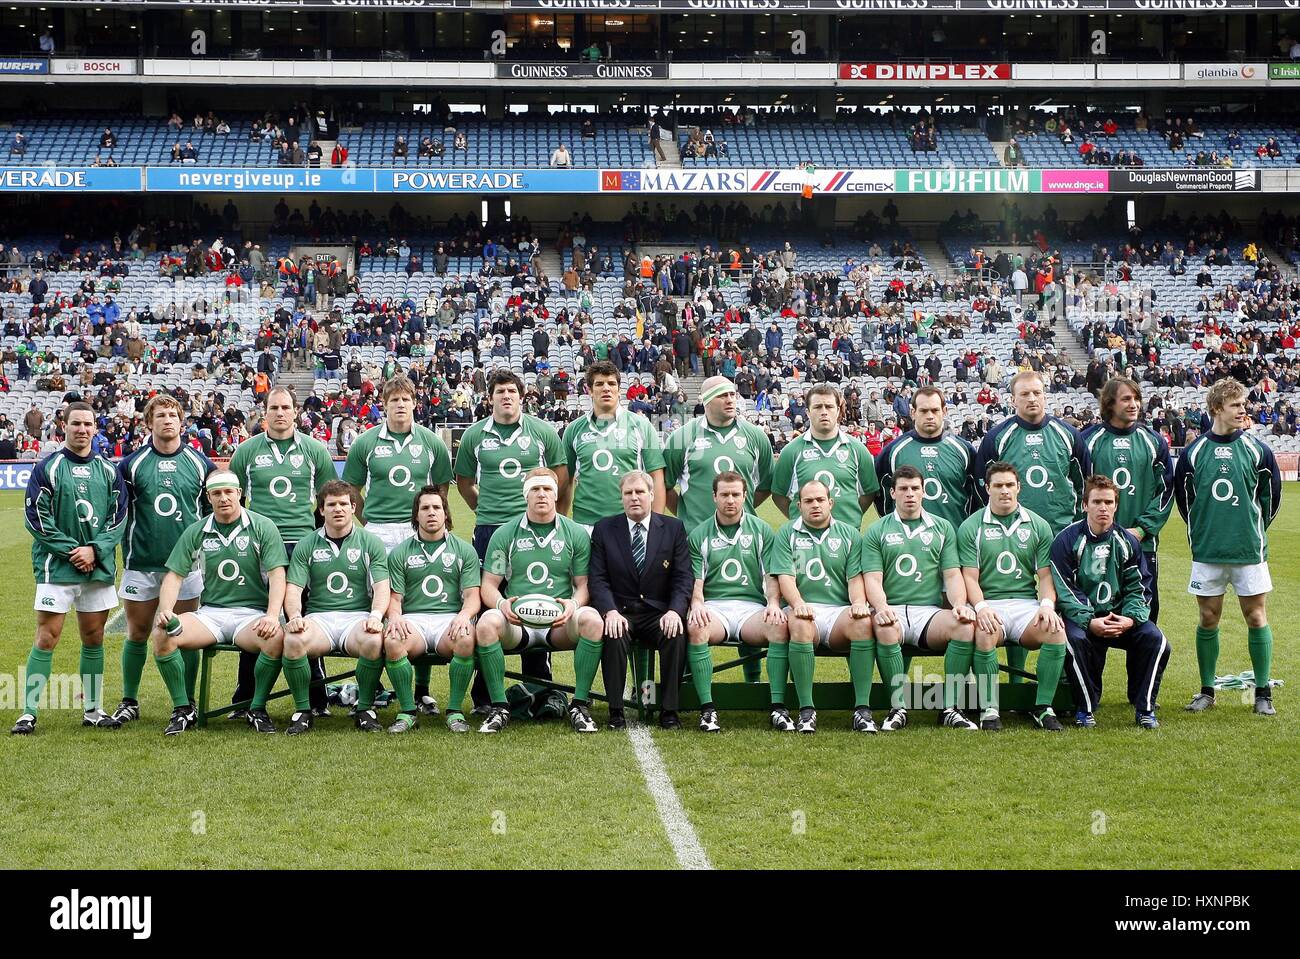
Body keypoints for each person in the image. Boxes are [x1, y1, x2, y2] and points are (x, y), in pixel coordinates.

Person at [454, 369, 567, 710]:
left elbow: (559, 476)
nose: (506, 396)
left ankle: (542, 689)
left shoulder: (542, 431)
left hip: (532, 531)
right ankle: (486, 695)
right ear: (490, 398)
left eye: (512, 391)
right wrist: (486, 511)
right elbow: (463, 482)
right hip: (491, 532)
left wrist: (548, 516)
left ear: (522, 396)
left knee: (536, 597)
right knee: (492, 605)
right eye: (500, 391)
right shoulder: (474, 435)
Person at [12, 402, 127, 734]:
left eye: (88, 424)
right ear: (64, 426)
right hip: (57, 568)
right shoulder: (48, 468)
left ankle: (93, 709)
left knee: (93, 638)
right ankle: (28, 712)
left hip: (98, 567)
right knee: (47, 637)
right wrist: (73, 551)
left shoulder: (109, 470)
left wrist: (95, 549)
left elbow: (117, 519)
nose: (82, 429)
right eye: (76, 423)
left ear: (95, 428)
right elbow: (37, 520)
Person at [149, 471, 288, 735]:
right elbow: (174, 576)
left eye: (228, 492)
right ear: (209, 497)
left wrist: (272, 615)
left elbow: (277, 575)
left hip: (250, 616)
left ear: (239, 493)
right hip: (210, 615)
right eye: (216, 493)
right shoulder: (197, 531)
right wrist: (166, 610)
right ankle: (183, 708)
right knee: (162, 633)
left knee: (276, 638)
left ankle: (256, 708)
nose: (223, 498)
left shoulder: (262, 526)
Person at [974, 370, 1089, 687]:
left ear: (1045, 394)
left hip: (1062, 536)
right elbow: (980, 485)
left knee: (1063, 606)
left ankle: (1067, 677)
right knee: (1016, 598)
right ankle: (1013, 684)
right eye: (1024, 394)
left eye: (1037, 392)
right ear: (1012, 399)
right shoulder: (998, 437)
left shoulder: (1069, 435)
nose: (1032, 398)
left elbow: (1083, 485)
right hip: (1013, 535)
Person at [227, 386, 335, 719]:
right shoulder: (245, 452)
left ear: (296, 411)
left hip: (302, 546)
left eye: (285, 407)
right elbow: (233, 502)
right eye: (273, 407)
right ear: (264, 412)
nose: (279, 413)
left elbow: (328, 501)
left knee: (304, 620)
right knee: (256, 620)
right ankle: (244, 700)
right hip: (259, 547)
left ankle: (318, 700)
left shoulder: (315, 450)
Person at [1175, 377, 1282, 716]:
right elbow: (1185, 502)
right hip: (1208, 551)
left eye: (1243, 404)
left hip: (1248, 550)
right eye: (1236, 405)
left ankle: (1262, 692)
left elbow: (1271, 498)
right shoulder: (1193, 453)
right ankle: (1208, 690)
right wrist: (1206, 532)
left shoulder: (1257, 450)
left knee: (1256, 616)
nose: (1243, 410)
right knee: (1208, 618)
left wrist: (1251, 530)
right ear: (1217, 408)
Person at [110, 395, 216, 725]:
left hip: (187, 567)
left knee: (184, 634)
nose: (167, 420)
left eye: (173, 414)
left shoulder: (201, 464)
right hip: (142, 562)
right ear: (148, 422)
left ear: (181, 421)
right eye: (160, 415)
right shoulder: (130, 465)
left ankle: (186, 703)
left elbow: (212, 514)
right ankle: (129, 700)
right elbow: (118, 513)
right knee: (137, 632)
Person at [476, 469, 605, 734]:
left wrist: (573, 605)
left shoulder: (575, 533)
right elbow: (489, 584)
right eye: (535, 489)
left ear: (556, 495)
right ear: (526, 495)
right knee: (487, 623)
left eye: (547, 489)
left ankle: (579, 705)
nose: (542, 495)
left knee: (592, 619)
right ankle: (499, 707)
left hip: (559, 623)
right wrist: (502, 605)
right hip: (518, 623)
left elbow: (583, 585)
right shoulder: (505, 534)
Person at [663, 375, 773, 683]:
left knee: (749, 601)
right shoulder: (683, 437)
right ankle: (687, 682)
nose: (730, 399)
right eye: (723, 395)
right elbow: (667, 485)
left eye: (733, 393)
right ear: (707, 401)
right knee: (691, 609)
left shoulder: (755, 436)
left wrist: (741, 509)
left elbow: (764, 485)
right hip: (692, 540)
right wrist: (687, 517)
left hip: (743, 538)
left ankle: (753, 681)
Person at [862, 466, 979, 733]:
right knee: (884, 626)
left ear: (924, 492)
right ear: (892, 493)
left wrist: (959, 604)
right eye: (903, 489)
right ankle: (898, 707)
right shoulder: (877, 530)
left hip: (927, 611)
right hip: (891, 607)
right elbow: (872, 579)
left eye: (915, 488)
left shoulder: (942, 528)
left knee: (963, 626)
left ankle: (950, 708)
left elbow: (952, 575)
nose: (910, 494)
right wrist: (880, 608)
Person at [1052, 475, 1170, 730]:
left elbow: (1139, 587)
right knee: (1072, 641)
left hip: (1119, 618)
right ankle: (1085, 708)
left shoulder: (1127, 542)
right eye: (1096, 502)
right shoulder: (1067, 540)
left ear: (1116, 505)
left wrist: (1130, 618)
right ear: (1085, 505)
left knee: (1156, 640)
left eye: (1108, 502)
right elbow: (1065, 589)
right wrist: (1089, 620)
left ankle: (1145, 708)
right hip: (1084, 620)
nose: (1102, 507)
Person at [959, 461, 1069, 732]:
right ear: (987, 489)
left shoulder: (1038, 525)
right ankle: (990, 708)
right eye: (998, 485)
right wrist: (981, 607)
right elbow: (969, 578)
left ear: (1019, 487)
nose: (1004, 491)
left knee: (1055, 630)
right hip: (990, 604)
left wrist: (1046, 605)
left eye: (1009, 485)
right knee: (984, 632)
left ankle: (1043, 706)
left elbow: (1045, 576)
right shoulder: (971, 526)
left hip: (1025, 604)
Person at [282, 481, 391, 735]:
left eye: (344, 504)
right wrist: (295, 615)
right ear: (321, 510)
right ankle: (303, 711)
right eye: (331, 504)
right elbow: (293, 589)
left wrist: (376, 616)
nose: (338, 509)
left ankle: (365, 709)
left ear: (354, 507)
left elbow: (382, 587)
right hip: (320, 618)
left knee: (374, 640)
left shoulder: (370, 542)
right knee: (294, 639)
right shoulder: (307, 544)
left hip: (357, 617)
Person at [588, 471, 693, 730]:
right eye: (628, 493)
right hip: (621, 610)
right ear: (621, 497)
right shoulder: (604, 529)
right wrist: (610, 612)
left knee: (676, 634)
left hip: (658, 611)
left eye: (640, 492)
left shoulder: (673, 528)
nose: (634, 498)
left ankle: (669, 710)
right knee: (613, 633)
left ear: (652, 495)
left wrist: (675, 612)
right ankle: (616, 712)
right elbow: (598, 579)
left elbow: (683, 577)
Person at [767, 480, 872, 734]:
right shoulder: (786, 533)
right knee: (800, 624)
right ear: (799, 505)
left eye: (820, 500)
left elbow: (855, 578)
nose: (815, 505)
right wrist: (798, 604)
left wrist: (858, 602)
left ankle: (862, 710)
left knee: (863, 623)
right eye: (808, 501)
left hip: (837, 612)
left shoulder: (849, 535)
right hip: (804, 608)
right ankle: (806, 710)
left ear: (830, 503)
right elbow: (785, 578)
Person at [685, 471, 788, 732]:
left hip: (751, 608)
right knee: (697, 628)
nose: (730, 500)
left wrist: (773, 604)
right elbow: (696, 582)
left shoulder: (762, 530)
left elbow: (771, 575)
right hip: (714, 608)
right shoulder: (699, 535)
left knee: (778, 626)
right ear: (714, 497)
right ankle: (707, 710)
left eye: (735, 495)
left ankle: (777, 707)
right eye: (724, 495)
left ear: (745, 496)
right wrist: (697, 604)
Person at [382, 487, 482, 734]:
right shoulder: (400, 552)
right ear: (416, 515)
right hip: (413, 619)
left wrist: (463, 616)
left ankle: (455, 711)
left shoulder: (464, 550)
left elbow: (472, 597)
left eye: (437, 507)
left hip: (448, 619)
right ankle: (407, 712)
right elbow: (395, 598)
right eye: (424, 508)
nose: (431, 513)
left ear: (445, 513)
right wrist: (395, 617)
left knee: (466, 637)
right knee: (393, 640)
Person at [1081, 377, 1173, 623]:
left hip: (1140, 544)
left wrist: (1142, 529)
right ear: (1110, 404)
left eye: (1136, 398)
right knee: (1092, 618)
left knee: (1143, 619)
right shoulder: (1088, 441)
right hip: (1095, 545)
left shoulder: (1153, 441)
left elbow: (1165, 492)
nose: (1134, 404)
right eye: (1126, 399)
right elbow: (1078, 490)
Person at [342, 374, 452, 553]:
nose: (400, 404)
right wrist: (368, 522)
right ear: (384, 404)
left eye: (405, 399)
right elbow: (351, 489)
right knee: (379, 582)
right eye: (394, 399)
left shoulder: (432, 441)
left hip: (418, 527)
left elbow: (442, 490)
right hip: (378, 529)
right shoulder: (364, 442)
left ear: (414, 403)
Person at [559, 360, 665, 531]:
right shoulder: (573, 430)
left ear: (619, 389)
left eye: (611, 383)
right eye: (599, 384)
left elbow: (657, 477)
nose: (606, 388)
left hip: (630, 522)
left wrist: (657, 527)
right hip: (585, 524)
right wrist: (561, 525)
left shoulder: (642, 425)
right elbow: (566, 482)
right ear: (589, 390)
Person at [767, 383, 878, 530]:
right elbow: (779, 495)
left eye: (829, 407)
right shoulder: (790, 451)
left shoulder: (858, 450)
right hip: (804, 542)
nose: (824, 412)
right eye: (818, 407)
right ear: (808, 412)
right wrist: (800, 518)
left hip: (848, 540)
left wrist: (851, 517)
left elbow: (869, 492)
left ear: (838, 411)